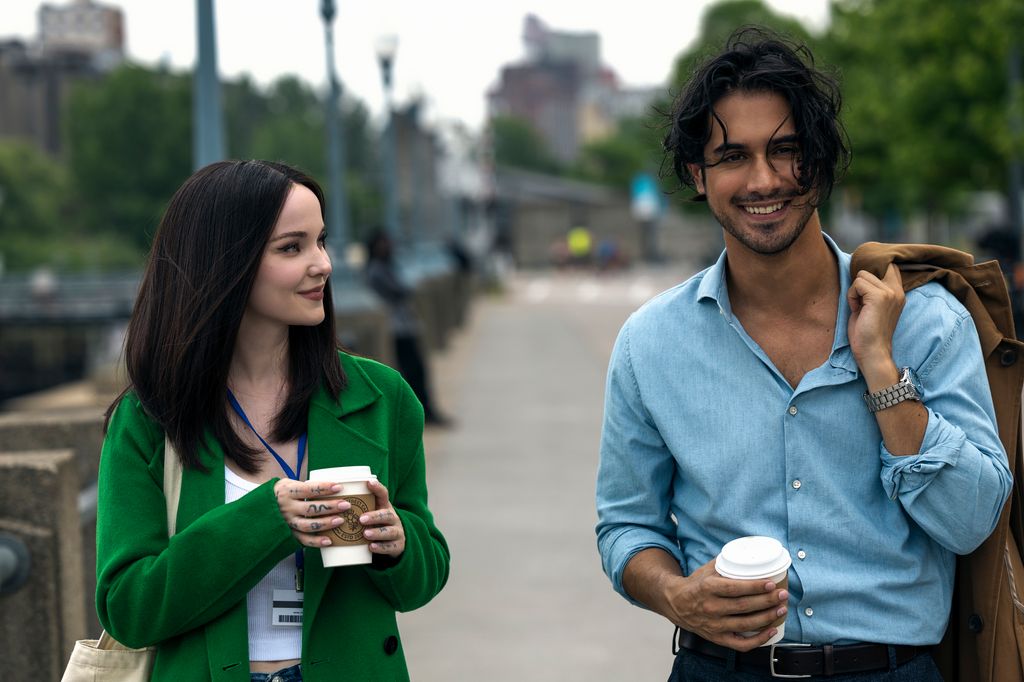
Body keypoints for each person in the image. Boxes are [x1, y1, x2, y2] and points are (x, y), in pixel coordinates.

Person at [595, 28, 1011, 681]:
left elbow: (972, 522)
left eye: (786, 150)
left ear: (818, 163)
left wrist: (883, 374)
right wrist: (680, 597)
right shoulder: (650, 344)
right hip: (720, 670)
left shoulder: (927, 325)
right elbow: (626, 528)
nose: (763, 179)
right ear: (697, 176)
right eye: (733, 156)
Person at [95, 160, 449, 682]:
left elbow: (424, 578)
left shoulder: (380, 398)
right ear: (226, 264)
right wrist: (266, 518)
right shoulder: (150, 418)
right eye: (292, 247)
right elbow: (129, 609)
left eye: (321, 241)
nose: (323, 265)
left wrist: (397, 544)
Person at [364, 229, 451, 427]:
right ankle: (422, 414)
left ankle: (426, 412)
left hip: (405, 326)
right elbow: (401, 290)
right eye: (383, 243)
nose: (387, 247)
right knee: (413, 372)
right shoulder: (376, 270)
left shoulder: (386, 267)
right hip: (397, 329)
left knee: (417, 371)